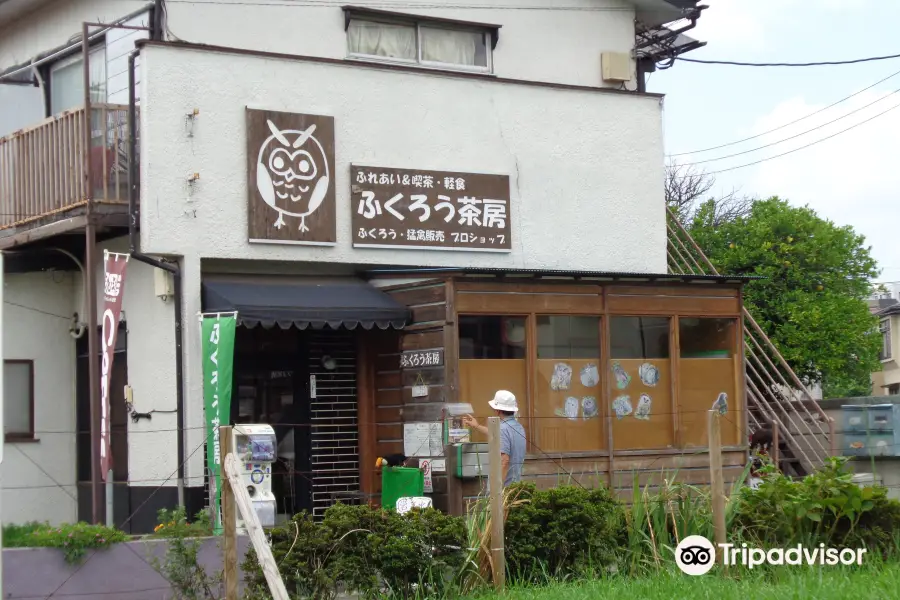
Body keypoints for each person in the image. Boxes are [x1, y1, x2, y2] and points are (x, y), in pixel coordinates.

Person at [462, 390, 526, 487]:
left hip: (503, 490)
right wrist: (477, 426)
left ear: (498, 410)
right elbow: (497, 434)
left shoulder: (502, 429)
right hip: (514, 486)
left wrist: (496, 490)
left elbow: (504, 461)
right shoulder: (518, 427)